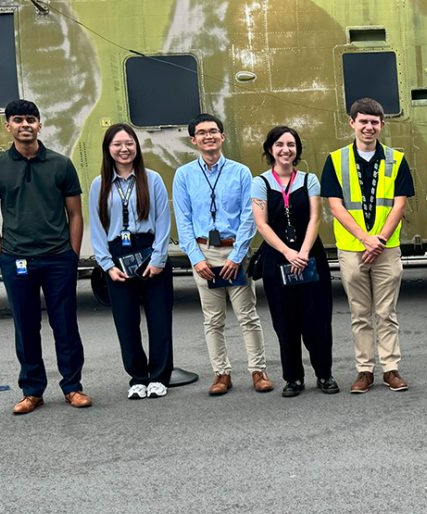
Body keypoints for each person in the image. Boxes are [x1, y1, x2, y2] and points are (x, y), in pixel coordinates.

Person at [0, 99, 90, 414]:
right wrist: (2, 256)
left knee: (65, 325)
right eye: (18, 120)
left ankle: (73, 387)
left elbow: (75, 214)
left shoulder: (60, 164)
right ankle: (32, 391)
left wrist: (72, 254)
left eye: (30, 119)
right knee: (26, 327)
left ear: (40, 125)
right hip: (17, 259)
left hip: (57, 258)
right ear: (8, 125)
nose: (25, 125)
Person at [172, 113, 271, 396]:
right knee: (213, 319)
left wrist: (237, 256)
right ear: (194, 140)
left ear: (222, 136)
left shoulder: (240, 173)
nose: (208, 136)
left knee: (247, 315)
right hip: (204, 253)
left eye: (213, 131)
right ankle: (221, 374)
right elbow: (184, 219)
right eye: (202, 133)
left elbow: (248, 217)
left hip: (234, 252)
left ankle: (258, 370)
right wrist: (196, 258)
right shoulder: (184, 175)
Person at [321, 98, 414, 393]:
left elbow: (400, 205)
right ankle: (364, 370)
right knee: (360, 313)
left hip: (386, 249)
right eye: (363, 121)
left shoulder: (396, 159)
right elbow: (335, 206)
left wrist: (380, 240)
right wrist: (365, 239)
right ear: (352, 123)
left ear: (382, 125)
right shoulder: (336, 160)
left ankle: (390, 368)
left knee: (386, 312)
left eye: (374, 122)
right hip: (352, 248)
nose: (369, 127)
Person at [88, 123, 174, 399]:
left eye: (129, 143)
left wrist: (159, 258)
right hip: (117, 255)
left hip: (149, 250)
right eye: (117, 144)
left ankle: (159, 376)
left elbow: (163, 221)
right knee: (126, 321)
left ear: (137, 147)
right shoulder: (99, 184)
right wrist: (107, 265)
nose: (124, 149)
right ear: (108, 149)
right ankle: (137, 376)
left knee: (159, 319)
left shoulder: (152, 179)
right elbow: (98, 227)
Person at [252, 125, 338, 398]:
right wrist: (288, 253)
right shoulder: (260, 183)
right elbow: (262, 225)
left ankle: (324, 374)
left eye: (290, 145)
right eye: (279, 144)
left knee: (317, 320)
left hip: (310, 257)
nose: (285, 150)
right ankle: (293, 378)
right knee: (285, 321)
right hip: (278, 260)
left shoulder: (310, 179)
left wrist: (302, 251)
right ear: (270, 149)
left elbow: (315, 218)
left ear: (297, 150)